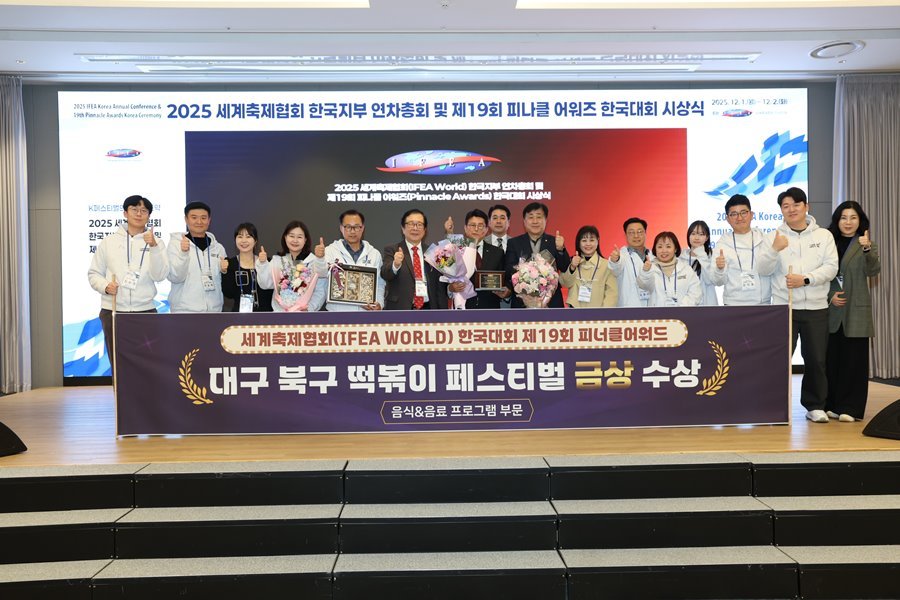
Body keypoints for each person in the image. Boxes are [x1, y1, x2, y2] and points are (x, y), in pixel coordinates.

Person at [758, 187, 838, 423]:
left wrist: (805, 279)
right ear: (781, 210)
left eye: (796, 204)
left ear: (806, 207)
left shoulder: (823, 235)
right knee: (780, 359)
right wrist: (774, 250)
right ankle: (774, 405)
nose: (791, 209)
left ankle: (815, 406)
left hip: (816, 308)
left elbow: (831, 267)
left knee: (816, 359)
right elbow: (763, 269)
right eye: (785, 206)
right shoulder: (773, 236)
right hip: (785, 308)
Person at [87, 195, 168, 359]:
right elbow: (94, 273)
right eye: (134, 209)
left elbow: (159, 276)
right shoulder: (109, 242)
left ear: (149, 216)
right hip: (113, 310)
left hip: (145, 311)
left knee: (148, 361)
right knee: (118, 361)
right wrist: (105, 286)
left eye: (144, 210)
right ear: (125, 213)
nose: (139, 214)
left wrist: (153, 247)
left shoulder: (156, 242)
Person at [825, 201, 880, 422]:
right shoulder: (827, 242)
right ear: (837, 220)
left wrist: (867, 249)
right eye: (843, 217)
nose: (848, 222)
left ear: (860, 221)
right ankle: (832, 405)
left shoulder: (866, 244)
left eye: (853, 218)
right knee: (832, 360)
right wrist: (830, 296)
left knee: (854, 362)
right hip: (831, 310)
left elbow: (873, 270)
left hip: (856, 311)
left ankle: (851, 408)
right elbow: (821, 274)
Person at [709, 194, 775, 306]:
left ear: (751, 215)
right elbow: (717, 282)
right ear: (727, 219)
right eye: (734, 214)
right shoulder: (723, 245)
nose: (739, 218)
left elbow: (772, 270)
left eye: (743, 213)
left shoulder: (764, 240)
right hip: (733, 306)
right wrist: (719, 269)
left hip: (763, 304)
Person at [504, 202, 571, 308]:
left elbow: (565, 267)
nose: (535, 221)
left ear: (545, 220)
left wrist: (560, 249)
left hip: (551, 302)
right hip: (522, 301)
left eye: (539, 217)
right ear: (524, 221)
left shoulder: (554, 241)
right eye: (531, 217)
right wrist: (526, 274)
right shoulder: (514, 243)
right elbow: (508, 269)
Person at [167, 201, 226, 313]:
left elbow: (223, 281)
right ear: (186, 219)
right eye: (194, 217)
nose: (199, 222)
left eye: (203, 218)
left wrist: (224, 270)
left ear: (209, 220)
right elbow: (175, 277)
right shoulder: (176, 244)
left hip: (214, 311)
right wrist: (183, 254)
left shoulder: (218, 248)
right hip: (184, 311)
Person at [381, 209, 446, 310]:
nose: (415, 228)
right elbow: (385, 274)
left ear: (425, 230)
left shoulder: (433, 252)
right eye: (411, 224)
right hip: (401, 309)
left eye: (419, 225)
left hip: (428, 309)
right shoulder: (392, 250)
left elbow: (439, 285)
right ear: (403, 228)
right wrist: (395, 265)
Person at [445, 209, 510, 309]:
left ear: (486, 229)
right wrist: (450, 288)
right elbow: (442, 282)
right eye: (472, 225)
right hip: (462, 308)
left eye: (480, 226)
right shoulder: (455, 249)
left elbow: (504, 280)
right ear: (465, 228)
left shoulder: (497, 252)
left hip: (489, 309)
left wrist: (506, 291)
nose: (476, 229)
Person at [323, 210, 385, 311]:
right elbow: (321, 277)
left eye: (356, 227)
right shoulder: (330, 251)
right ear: (341, 228)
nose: (352, 231)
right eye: (348, 227)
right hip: (337, 314)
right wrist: (319, 259)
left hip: (366, 315)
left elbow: (380, 284)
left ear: (362, 228)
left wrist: (379, 304)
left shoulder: (374, 254)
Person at [258, 220, 327, 312]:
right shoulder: (277, 261)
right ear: (285, 237)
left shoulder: (313, 262)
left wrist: (309, 308)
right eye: (291, 236)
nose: (295, 240)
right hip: (280, 315)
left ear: (305, 240)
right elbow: (265, 284)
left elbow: (320, 290)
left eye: (299, 237)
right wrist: (263, 264)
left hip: (305, 315)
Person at [637, 231, 702, 307]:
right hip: (657, 314)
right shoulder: (650, 268)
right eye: (660, 247)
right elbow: (644, 286)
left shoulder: (686, 269)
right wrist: (646, 272)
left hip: (682, 313)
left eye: (668, 246)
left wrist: (681, 308)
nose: (664, 250)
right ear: (655, 249)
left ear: (675, 249)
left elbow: (695, 293)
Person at [219, 222, 272, 313]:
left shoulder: (266, 262)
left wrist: (264, 264)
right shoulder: (230, 263)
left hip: (265, 315)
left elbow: (271, 289)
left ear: (255, 241)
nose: (244, 241)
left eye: (248, 237)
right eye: (240, 237)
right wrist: (224, 272)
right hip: (240, 316)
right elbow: (229, 294)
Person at [560, 225, 617, 308]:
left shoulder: (606, 265)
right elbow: (564, 283)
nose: (588, 244)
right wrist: (572, 267)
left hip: (597, 313)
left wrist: (604, 313)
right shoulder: (571, 261)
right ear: (579, 243)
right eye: (584, 240)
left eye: (592, 240)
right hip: (574, 312)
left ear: (598, 241)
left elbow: (611, 294)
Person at [608, 217, 651, 307]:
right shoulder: (621, 256)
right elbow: (615, 269)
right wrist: (615, 260)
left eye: (640, 232)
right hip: (629, 308)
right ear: (625, 235)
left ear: (645, 233)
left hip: (653, 308)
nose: (636, 236)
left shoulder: (653, 256)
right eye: (631, 232)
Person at [680, 220, 719, 306]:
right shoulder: (681, 257)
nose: (697, 238)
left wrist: (702, 255)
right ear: (688, 236)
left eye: (701, 234)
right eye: (693, 234)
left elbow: (710, 280)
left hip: (708, 304)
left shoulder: (713, 256)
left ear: (707, 237)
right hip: (687, 304)